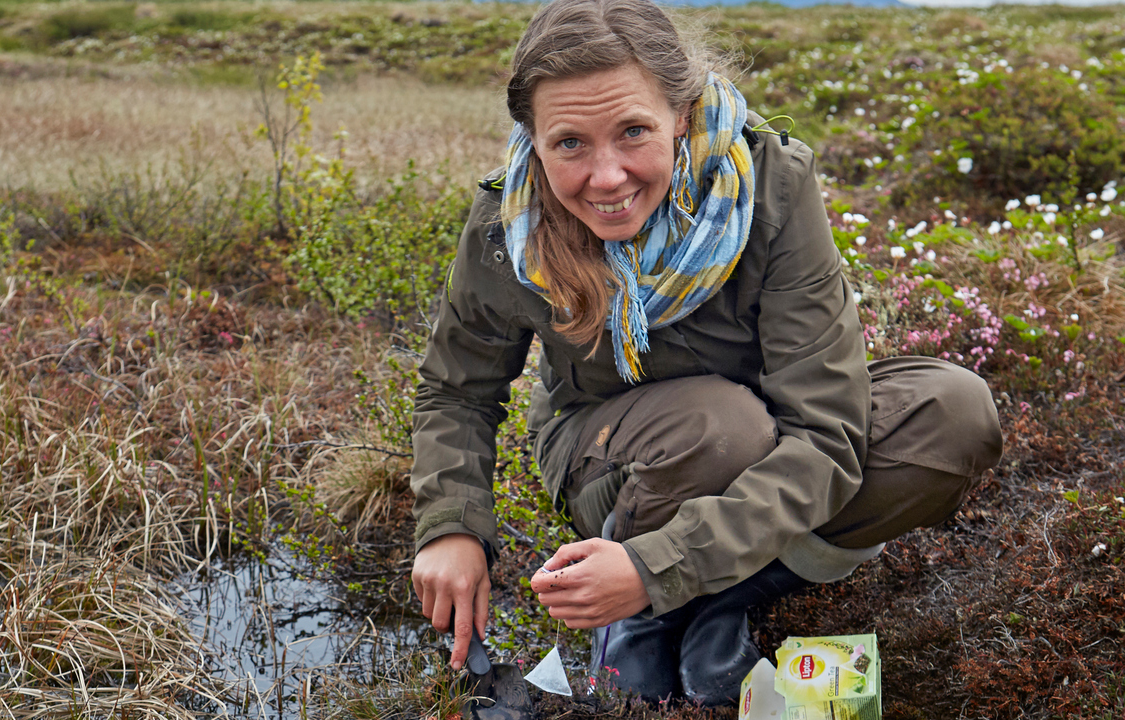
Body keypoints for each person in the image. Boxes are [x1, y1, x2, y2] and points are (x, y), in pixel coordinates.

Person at [409, 0, 1003, 706]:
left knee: (954, 416)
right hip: (616, 464)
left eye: (634, 132)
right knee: (721, 427)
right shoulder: (507, 225)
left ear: (682, 114)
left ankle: (722, 594)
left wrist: (655, 568)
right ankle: (648, 611)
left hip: (777, 439)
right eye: (569, 143)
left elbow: (826, 433)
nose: (606, 178)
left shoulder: (771, 185)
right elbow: (457, 391)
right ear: (532, 138)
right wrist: (450, 528)